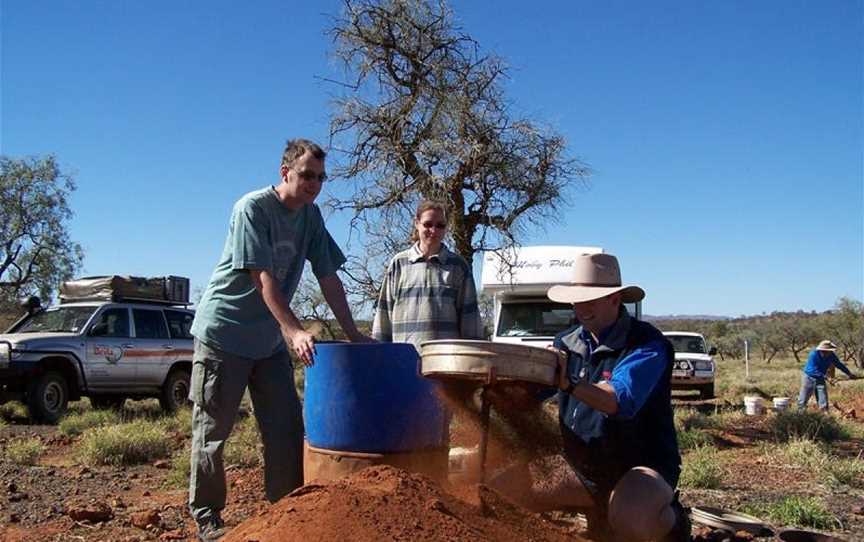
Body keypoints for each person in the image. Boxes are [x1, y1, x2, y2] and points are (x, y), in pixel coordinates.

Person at [188, 139, 370, 542]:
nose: (314, 184)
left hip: (267, 340)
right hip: (224, 333)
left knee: (286, 428)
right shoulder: (252, 208)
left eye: (321, 178)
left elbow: (328, 277)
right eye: (307, 175)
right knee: (213, 432)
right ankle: (208, 517)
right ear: (285, 172)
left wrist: (354, 334)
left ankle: (287, 512)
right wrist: (293, 330)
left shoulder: (312, 217)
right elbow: (263, 278)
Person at [492, 252, 688, 542]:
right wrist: (501, 388)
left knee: (630, 520)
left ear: (614, 299)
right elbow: (533, 393)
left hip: (639, 468)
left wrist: (570, 382)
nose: (581, 307)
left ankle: (674, 524)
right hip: (582, 465)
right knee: (500, 491)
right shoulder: (566, 342)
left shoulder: (648, 345)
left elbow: (617, 400)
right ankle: (597, 513)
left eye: (591, 299)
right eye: (577, 299)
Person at [372, 200, 483, 349]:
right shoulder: (399, 263)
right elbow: (383, 316)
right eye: (428, 224)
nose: (434, 230)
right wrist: (378, 354)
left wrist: (472, 360)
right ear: (417, 223)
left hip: (445, 362)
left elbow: (470, 320)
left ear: (446, 228)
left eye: (440, 225)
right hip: (404, 361)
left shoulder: (458, 266)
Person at [797, 340, 858, 412]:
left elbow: (839, 364)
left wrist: (849, 373)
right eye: (824, 351)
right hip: (809, 377)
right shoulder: (813, 354)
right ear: (820, 350)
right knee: (803, 399)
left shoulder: (831, 355)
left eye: (827, 351)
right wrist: (827, 377)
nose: (826, 353)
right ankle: (800, 414)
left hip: (821, 378)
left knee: (823, 399)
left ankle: (825, 415)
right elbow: (813, 370)